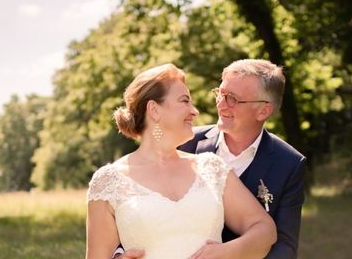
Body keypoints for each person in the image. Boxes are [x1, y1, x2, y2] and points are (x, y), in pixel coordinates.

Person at [86, 63, 276, 259]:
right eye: (184, 101)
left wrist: (226, 253)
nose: (194, 111)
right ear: (154, 110)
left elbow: (265, 229)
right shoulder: (107, 181)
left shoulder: (211, 168)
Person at [179, 59, 306, 259]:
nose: (221, 105)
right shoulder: (184, 142)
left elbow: (285, 245)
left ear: (263, 110)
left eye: (233, 99)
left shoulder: (289, 163)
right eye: (220, 93)